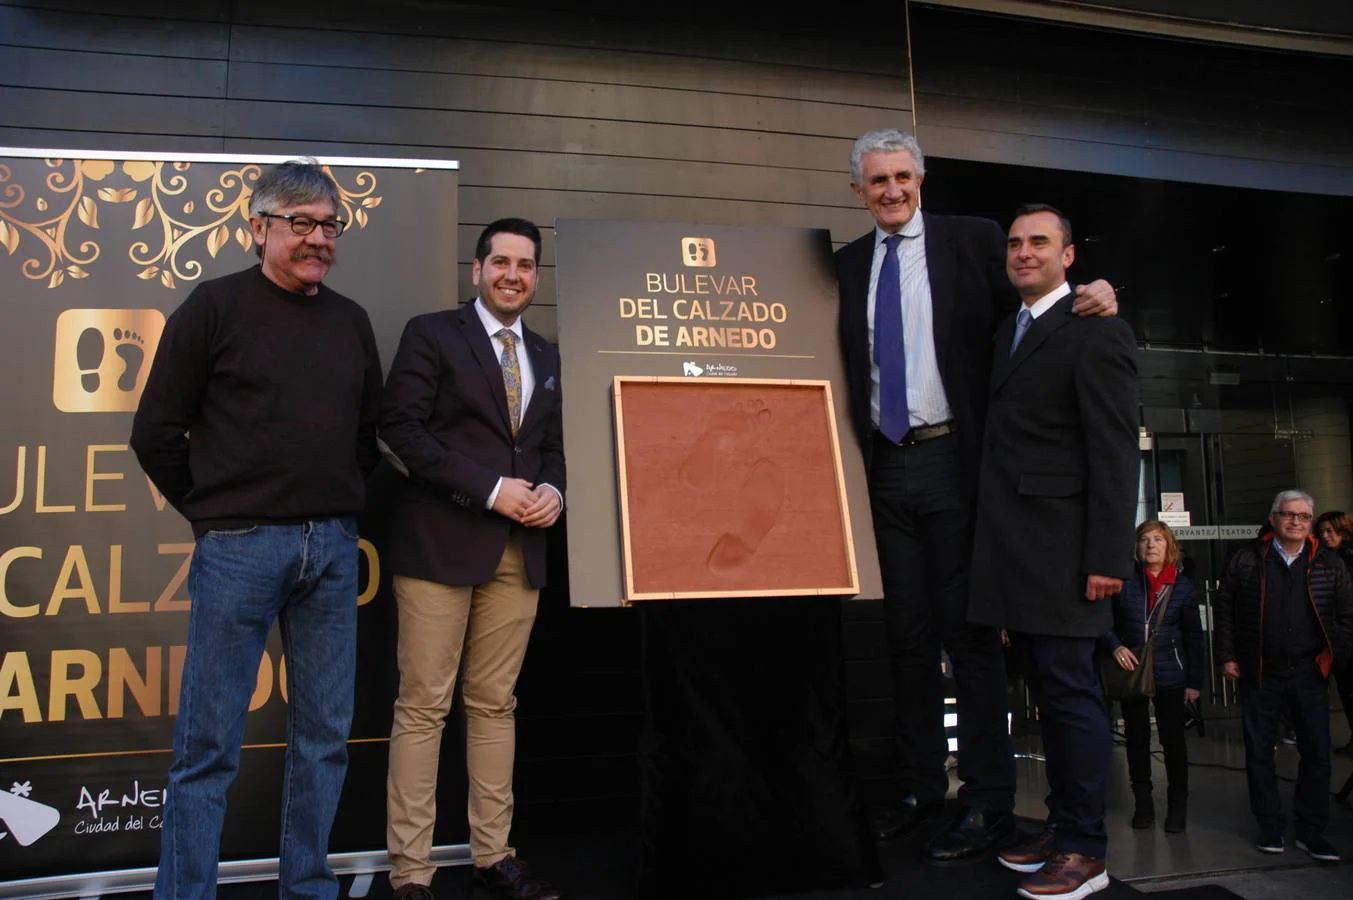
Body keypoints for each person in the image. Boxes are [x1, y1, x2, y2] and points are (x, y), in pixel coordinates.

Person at [835, 128, 1118, 864]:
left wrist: (1098, 291)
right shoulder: (844, 266)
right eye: (876, 181)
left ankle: (987, 800)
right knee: (902, 638)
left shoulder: (975, 242)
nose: (891, 190)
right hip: (882, 468)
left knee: (970, 639)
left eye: (902, 176)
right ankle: (921, 789)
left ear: (920, 178)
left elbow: (1040, 309)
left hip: (958, 463)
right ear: (858, 191)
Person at [130, 158, 383, 899]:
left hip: (331, 552)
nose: (318, 239)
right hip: (238, 550)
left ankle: (305, 885)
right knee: (207, 747)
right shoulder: (212, 308)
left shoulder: (351, 321)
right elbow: (154, 432)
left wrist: (333, 505)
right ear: (258, 228)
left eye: (329, 225)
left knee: (323, 740)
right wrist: (215, 515)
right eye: (299, 223)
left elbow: (367, 436)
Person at [380, 219, 566, 900]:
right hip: (439, 544)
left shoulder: (545, 354)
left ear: (536, 277)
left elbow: (551, 447)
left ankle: (495, 856)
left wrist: (552, 489)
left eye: (525, 265)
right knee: (423, 707)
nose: (512, 274)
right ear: (477, 270)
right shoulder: (432, 334)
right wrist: (490, 489)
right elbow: (398, 429)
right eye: (500, 262)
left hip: (520, 554)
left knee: (494, 706)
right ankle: (411, 873)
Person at [968, 204, 1139, 899]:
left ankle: (1084, 850)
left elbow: (1113, 450)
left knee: (1071, 695)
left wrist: (1107, 558)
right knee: (1047, 689)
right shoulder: (1009, 330)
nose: (1023, 252)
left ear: (1069, 256)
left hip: (1070, 555)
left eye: (1039, 242)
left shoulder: (1096, 330)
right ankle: (1061, 825)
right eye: (1013, 243)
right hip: (1017, 552)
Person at [1214, 490, 1353, 862]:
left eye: (1304, 517)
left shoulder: (1329, 562)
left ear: (1311, 523)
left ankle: (1310, 831)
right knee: (1260, 752)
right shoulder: (1246, 559)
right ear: (1273, 519)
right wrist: (1227, 655)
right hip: (1260, 672)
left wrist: (1334, 656)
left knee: (1317, 753)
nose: (1296, 522)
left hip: (1310, 672)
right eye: (1288, 515)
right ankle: (1270, 826)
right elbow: (1224, 608)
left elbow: (1345, 615)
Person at [1099, 520, 1204, 833]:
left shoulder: (1182, 586)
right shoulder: (1124, 582)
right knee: (1137, 740)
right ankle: (1142, 805)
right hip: (1132, 671)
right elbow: (1102, 621)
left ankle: (1177, 808)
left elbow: (1193, 637)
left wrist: (1195, 682)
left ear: (1168, 545)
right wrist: (1115, 646)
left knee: (1173, 742)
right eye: (1144, 539)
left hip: (1171, 674)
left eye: (1158, 539)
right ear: (1136, 546)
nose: (1151, 545)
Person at [1315, 509, 1353, 753]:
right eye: (1323, 532)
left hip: (1345, 632)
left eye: (1331, 531)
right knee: (1346, 691)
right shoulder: (1324, 558)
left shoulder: (1345, 559)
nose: (1327, 536)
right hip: (1335, 635)